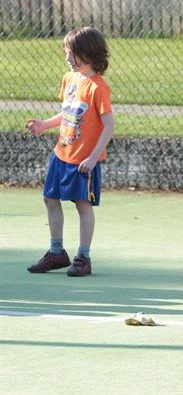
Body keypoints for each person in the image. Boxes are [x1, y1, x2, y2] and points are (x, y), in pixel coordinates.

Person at [26, 27, 114, 277]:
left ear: (89, 54)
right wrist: (44, 124)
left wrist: (93, 157)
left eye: (72, 52)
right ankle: (57, 252)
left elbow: (109, 126)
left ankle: (83, 257)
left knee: (83, 206)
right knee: (49, 199)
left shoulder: (98, 87)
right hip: (61, 154)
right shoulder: (69, 79)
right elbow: (68, 112)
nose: (67, 57)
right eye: (67, 52)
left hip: (83, 161)